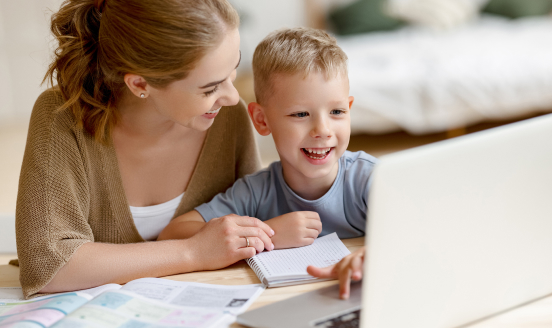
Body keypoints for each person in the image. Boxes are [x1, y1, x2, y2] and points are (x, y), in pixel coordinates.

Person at [15, 0, 276, 299]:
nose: (231, 97)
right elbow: (48, 265)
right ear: (140, 83)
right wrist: (192, 251)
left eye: (233, 70)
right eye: (210, 88)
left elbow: (257, 221)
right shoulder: (62, 115)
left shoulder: (228, 118)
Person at [158, 28, 377, 250]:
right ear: (262, 120)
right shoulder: (256, 192)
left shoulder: (369, 180)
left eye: (337, 112)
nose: (322, 130)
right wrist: (267, 233)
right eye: (300, 114)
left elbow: (412, 230)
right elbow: (172, 234)